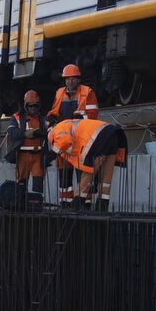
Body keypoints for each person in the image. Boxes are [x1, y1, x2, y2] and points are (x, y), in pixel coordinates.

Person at [47, 118, 126, 211]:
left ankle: (76, 204)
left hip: (101, 137)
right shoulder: (72, 127)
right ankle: (102, 207)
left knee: (88, 171)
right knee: (105, 178)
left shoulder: (56, 130)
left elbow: (64, 141)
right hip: (113, 136)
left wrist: (50, 155)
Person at [47, 64, 98, 205]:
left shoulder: (87, 92)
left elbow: (93, 115)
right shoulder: (60, 93)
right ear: (64, 80)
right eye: (67, 79)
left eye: (73, 78)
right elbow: (54, 112)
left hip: (80, 141)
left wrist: (79, 120)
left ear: (78, 79)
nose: (70, 81)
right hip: (64, 141)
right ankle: (65, 203)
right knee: (64, 176)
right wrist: (51, 121)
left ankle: (84, 204)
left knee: (82, 173)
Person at [6, 90, 47, 210]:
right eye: (30, 105)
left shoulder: (41, 118)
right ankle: (20, 205)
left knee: (38, 183)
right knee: (21, 183)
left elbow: (49, 131)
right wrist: (25, 134)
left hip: (38, 156)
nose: (33, 108)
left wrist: (42, 132)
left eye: (35, 105)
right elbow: (11, 132)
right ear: (25, 106)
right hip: (22, 156)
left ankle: (36, 206)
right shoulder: (17, 117)